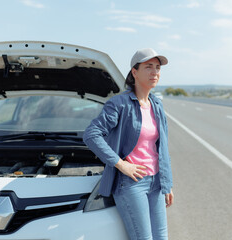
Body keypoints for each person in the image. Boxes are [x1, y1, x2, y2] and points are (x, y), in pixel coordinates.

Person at [83, 48, 174, 240]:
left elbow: (162, 148)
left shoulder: (156, 104)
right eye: (148, 67)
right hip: (132, 184)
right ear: (134, 72)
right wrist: (121, 164)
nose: (154, 72)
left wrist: (167, 184)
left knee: (162, 237)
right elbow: (91, 134)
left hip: (156, 182)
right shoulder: (119, 104)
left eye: (157, 68)